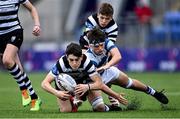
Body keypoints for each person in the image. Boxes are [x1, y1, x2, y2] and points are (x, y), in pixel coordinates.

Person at [85, 28, 169, 106]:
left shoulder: (106, 42)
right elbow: (99, 83)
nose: (100, 48)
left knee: (129, 83)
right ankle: (111, 107)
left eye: (101, 45)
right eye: (97, 46)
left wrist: (107, 66)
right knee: (98, 107)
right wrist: (115, 95)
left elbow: (118, 56)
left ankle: (154, 93)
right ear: (90, 46)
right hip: (94, 79)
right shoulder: (88, 58)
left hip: (106, 70)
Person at [41, 43, 128, 112]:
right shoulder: (61, 63)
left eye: (77, 60)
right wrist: (56, 93)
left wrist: (115, 95)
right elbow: (44, 83)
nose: (74, 63)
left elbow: (99, 83)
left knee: (99, 108)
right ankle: (73, 100)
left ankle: (112, 107)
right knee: (66, 111)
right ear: (67, 57)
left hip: (85, 84)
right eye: (71, 60)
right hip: (65, 87)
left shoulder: (87, 63)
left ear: (81, 57)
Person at [0, 0, 41, 111]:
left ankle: (23, 90)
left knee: (7, 60)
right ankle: (34, 97)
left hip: (14, 31)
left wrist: (37, 24)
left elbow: (32, 8)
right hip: (1, 37)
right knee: (19, 70)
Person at [79, 2, 120, 107]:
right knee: (84, 65)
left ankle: (111, 94)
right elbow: (90, 37)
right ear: (98, 15)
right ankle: (79, 94)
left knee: (107, 68)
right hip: (87, 44)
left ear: (111, 18)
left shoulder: (114, 27)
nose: (104, 21)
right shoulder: (91, 19)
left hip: (102, 47)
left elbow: (108, 46)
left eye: (107, 19)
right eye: (102, 18)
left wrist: (105, 63)